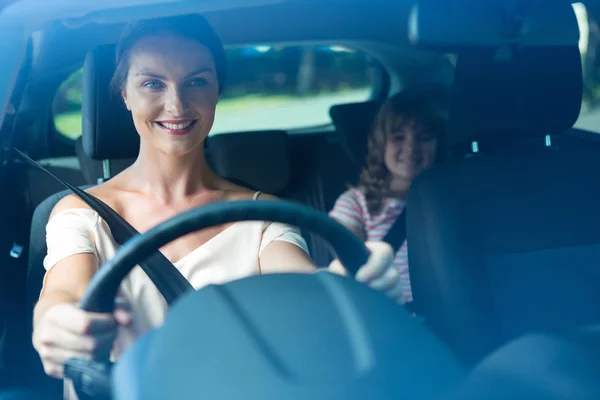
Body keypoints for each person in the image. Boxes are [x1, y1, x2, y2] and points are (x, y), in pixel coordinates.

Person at [31, 14, 403, 391]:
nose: (177, 104)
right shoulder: (81, 214)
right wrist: (56, 322)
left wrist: (348, 287)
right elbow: (63, 292)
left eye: (196, 81)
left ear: (216, 90)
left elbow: (302, 286)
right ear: (124, 94)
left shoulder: (262, 216)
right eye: (152, 84)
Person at [329, 89, 447, 304]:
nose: (411, 147)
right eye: (399, 137)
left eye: (424, 138)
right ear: (380, 143)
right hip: (391, 310)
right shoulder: (355, 203)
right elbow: (347, 258)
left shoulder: (451, 198)